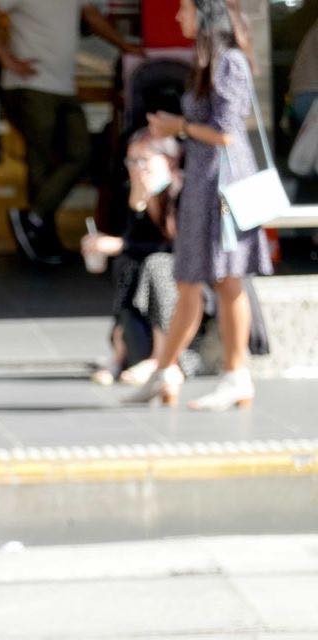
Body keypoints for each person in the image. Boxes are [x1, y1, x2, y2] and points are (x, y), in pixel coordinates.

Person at [128, 0, 272, 410]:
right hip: (204, 183)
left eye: (185, 10)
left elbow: (226, 132)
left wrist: (178, 126)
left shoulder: (229, 63)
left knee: (227, 281)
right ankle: (166, 371)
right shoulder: (209, 62)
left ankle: (234, 374)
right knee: (192, 281)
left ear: (205, 14)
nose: (179, 17)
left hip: (224, 187)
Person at [0, 0, 144, 264]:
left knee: (80, 154)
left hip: (63, 87)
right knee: (42, 163)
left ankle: (33, 218)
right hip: (30, 84)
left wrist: (126, 47)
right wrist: (7, 59)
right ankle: (40, 238)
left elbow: (93, 18)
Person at [83, 129, 182, 386]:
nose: (137, 168)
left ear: (168, 160)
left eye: (144, 160)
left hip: (187, 278)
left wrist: (120, 244)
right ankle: (120, 352)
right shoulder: (135, 192)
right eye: (132, 161)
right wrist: (139, 203)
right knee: (127, 265)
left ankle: (161, 358)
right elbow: (135, 241)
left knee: (156, 265)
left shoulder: (182, 193)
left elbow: (174, 245)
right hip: (151, 269)